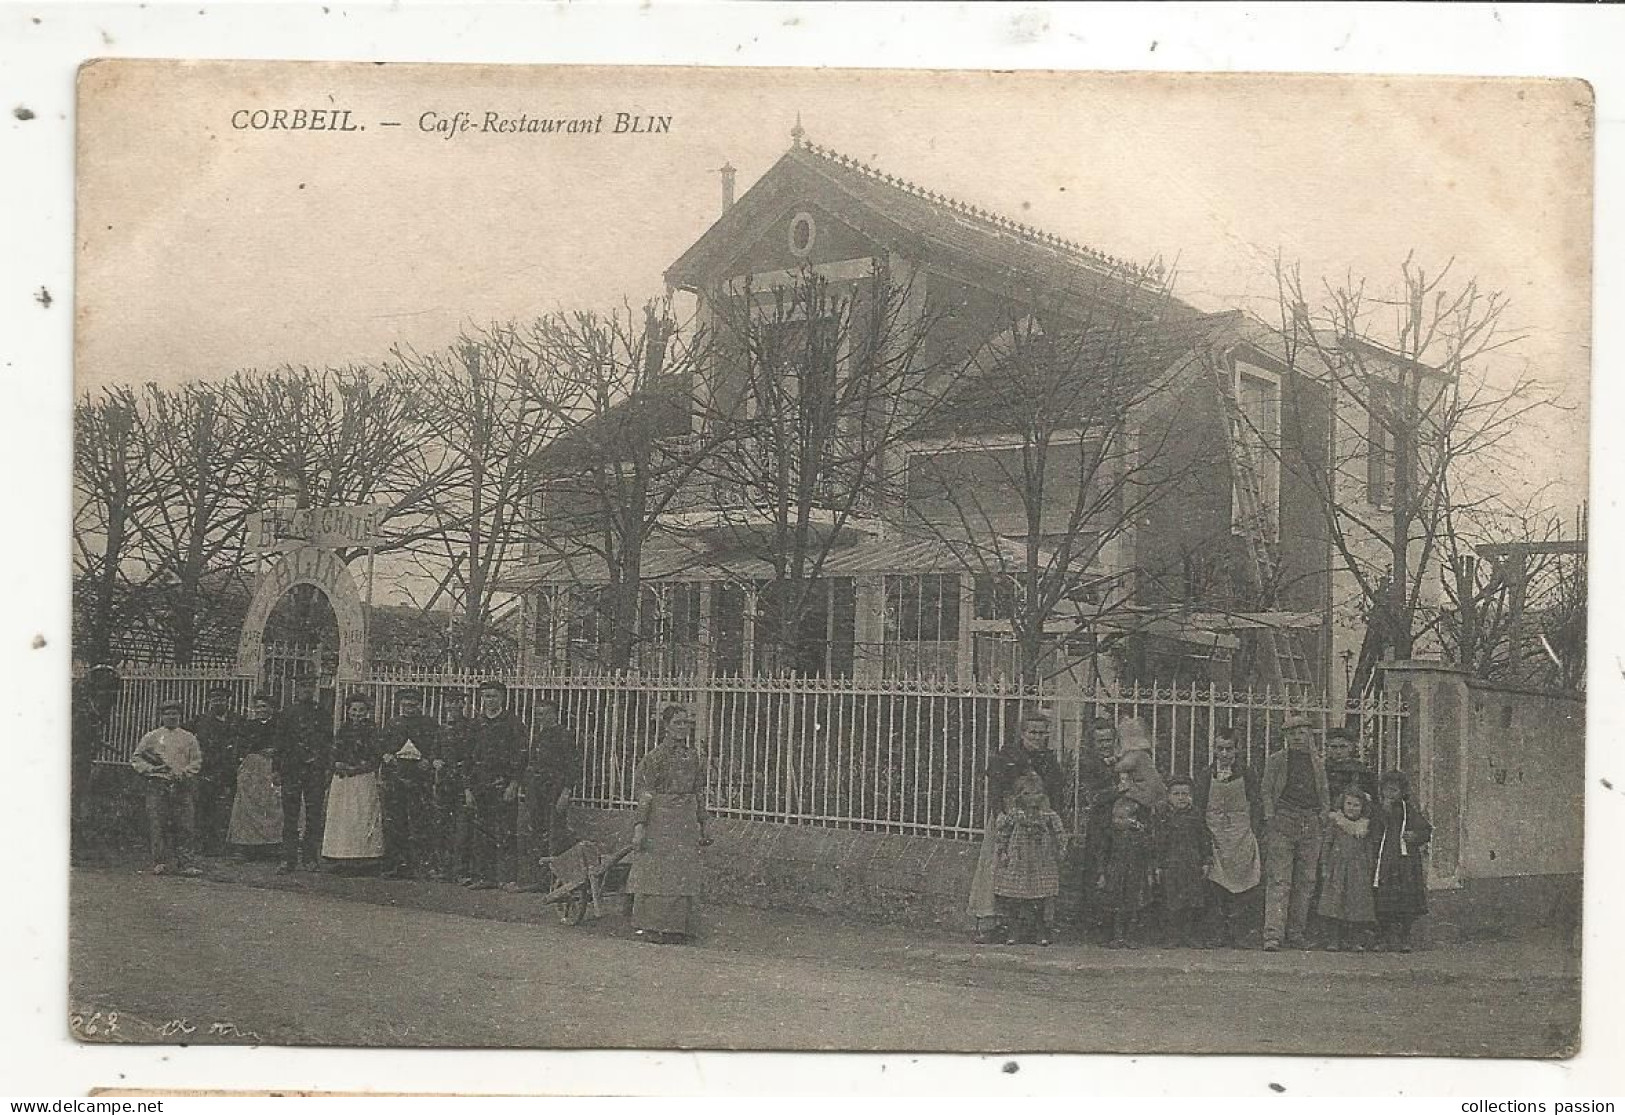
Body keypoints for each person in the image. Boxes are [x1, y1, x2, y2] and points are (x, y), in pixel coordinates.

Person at [968, 709, 1065, 943]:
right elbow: (996, 789)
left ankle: (1033, 926)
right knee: (998, 867)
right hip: (1009, 820)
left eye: (1043, 732)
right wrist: (1002, 815)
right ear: (1022, 733)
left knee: (1037, 874)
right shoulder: (1007, 756)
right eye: (1033, 732)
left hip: (1038, 821)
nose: (1038, 737)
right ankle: (990, 923)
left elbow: (1056, 791)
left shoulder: (1049, 760)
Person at [627, 702, 711, 944]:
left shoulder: (692, 756)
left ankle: (678, 928)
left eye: (686, 723)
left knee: (682, 873)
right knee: (658, 873)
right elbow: (645, 794)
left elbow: (698, 792)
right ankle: (652, 926)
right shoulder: (654, 758)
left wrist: (704, 822)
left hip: (685, 820)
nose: (683, 728)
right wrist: (640, 826)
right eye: (677, 723)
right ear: (666, 726)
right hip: (660, 820)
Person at [1260, 715, 1330, 951]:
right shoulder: (1277, 761)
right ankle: (1273, 935)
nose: (1298, 737)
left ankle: (1296, 932)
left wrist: (1322, 815)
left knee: (1307, 881)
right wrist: (1271, 818)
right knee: (1280, 880)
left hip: (1310, 821)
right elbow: (1267, 791)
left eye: (1302, 732)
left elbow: (1324, 791)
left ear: (1309, 735)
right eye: (1292, 733)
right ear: (1286, 736)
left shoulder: (1317, 762)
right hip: (1284, 820)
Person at [1193, 728, 1264, 947]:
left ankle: (1240, 935)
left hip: (1240, 835)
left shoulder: (1247, 773)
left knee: (1244, 885)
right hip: (1215, 834)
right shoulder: (1206, 774)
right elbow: (1199, 806)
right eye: (1220, 749)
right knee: (1216, 884)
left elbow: (1256, 804)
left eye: (1229, 749)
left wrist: (1254, 832)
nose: (1224, 754)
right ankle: (1217, 934)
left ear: (1237, 749)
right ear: (1214, 750)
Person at [130, 699, 204, 877]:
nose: (171, 717)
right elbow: (137, 758)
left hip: (181, 785)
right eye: (167, 714)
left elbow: (196, 761)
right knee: (158, 823)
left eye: (175, 714)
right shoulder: (152, 736)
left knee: (185, 824)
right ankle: (159, 862)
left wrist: (185, 772)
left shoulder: (189, 737)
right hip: (158, 784)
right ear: (162, 716)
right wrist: (153, 769)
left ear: (180, 716)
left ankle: (186, 863)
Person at [467, 680, 529, 890]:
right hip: (480, 785)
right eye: (485, 696)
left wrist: (514, 784)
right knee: (481, 832)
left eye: (493, 695)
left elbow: (521, 756)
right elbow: (468, 757)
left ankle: (507, 878)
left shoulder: (513, 723)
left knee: (506, 831)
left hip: (503, 785)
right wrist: (469, 788)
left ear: (502, 698)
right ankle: (485, 877)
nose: (489, 700)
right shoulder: (476, 724)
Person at [993, 771, 1066, 946]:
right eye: (1026, 794)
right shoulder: (1015, 815)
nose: (1032, 798)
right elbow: (1003, 833)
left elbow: (1059, 832)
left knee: (1040, 897)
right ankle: (1014, 930)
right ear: (1019, 795)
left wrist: (1061, 848)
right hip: (1018, 858)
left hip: (1041, 859)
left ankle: (1040, 930)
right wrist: (1002, 851)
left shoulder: (1047, 815)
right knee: (1014, 897)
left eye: (1036, 793)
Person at [516, 698, 581, 891]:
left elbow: (573, 766)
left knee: (555, 836)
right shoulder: (539, 735)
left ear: (554, 714)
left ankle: (556, 881)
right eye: (537, 714)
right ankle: (539, 880)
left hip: (555, 792)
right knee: (537, 834)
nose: (539, 718)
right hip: (537, 793)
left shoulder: (564, 735)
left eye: (543, 714)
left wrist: (566, 792)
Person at [379, 688, 441, 880]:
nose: (409, 708)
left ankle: (421, 865)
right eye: (405, 705)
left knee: (421, 822)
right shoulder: (392, 723)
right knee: (395, 822)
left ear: (419, 705)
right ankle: (397, 864)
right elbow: (382, 745)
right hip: (397, 778)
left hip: (419, 779)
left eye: (413, 705)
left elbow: (437, 746)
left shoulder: (429, 724)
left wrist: (429, 760)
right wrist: (387, 756)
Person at [274, 674, 331, 874]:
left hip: (314, 771)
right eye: (303, 686)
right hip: (292, 770)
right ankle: (287, 859)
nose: (307, 689)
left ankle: (309, 858)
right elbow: (279, 742)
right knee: (290, 815)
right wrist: (276, 769)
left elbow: (327, 742)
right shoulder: (287, 712)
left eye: (310, 686)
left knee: (314, 815)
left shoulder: (322, 713)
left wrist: (324, 767)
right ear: (297, 688)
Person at [321, 694, 386, 866]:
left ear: (367, 712)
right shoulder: (343, 729)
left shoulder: (373, 730)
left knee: (362, 815)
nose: (357, 714)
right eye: (354, 710)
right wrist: (337, 764)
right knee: (342, 816)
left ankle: (363, 857)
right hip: (343, 779)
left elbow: (376, 755)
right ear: (348, 711)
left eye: (361, 710)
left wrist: (358, 767)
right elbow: (333, 751)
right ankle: (339, 856)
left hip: (362, 778)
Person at [1072, 717, 1122, 944]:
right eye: (1100, 741)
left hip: (1120, 824)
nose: (1105, 745)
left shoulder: (1121, 760)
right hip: (1100, 824)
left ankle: (1114, 926)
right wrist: (1118, 789)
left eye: (1108, 740)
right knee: (1097, 872)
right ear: (1092, 743)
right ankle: (1095, 927)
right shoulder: (1088, 765)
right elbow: (1092, 797)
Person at [1372, 770, 1433, 953]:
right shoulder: (1379, 810)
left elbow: (1425, 831)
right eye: (1387, 790)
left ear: (1402, 792)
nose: (1390, 794)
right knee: (1382, 901)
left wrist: (1415, 836)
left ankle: (1405, 937)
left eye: (1394, 791)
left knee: (1406, 901)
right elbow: (1372, 831)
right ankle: (1384, 937)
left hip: (1405, 864)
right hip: (1384, 863)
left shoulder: (1408, 811)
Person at [1155, 777, 1214, 947]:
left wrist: (1206, 861)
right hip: (1171, 865)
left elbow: (1204, 839)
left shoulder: (1196, 816)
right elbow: (1157, 843)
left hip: (1192, 864)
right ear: (1168, 796)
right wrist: (1157, 866)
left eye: (1185, 794)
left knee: (1193, 902)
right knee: (1171, 902)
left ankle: (1190, 935)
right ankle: (1172, 936)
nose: (1181, 798)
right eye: (1176, 794)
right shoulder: (1163, 817)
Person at [1317, 788, 1378, 951]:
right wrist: (1324, 865)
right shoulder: (1336, 823)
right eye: (1349, 804)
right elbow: (1327, 844)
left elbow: (1369, 849)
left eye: (1356, 805)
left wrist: (1370, 868)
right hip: (1337, 869)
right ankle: (1334, 940)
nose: (1352, 808)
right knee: (1335, 904)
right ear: (1342, 805)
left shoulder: (1363, 827)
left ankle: (1354, 940)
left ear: (1363, 808)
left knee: (1356, 905)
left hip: (1358, 871)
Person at [189, 684, 245, 856]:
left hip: (229, 770)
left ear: (228, 700)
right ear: (209, 701)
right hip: (208, 769)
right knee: (204, 808)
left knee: (227, 809)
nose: (218, 702)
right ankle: (204, 845)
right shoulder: (200, 720)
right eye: (214, 699)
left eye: (221, 699)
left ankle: (226, 845)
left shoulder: (238, 720)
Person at [1096, 793, 1157, 948]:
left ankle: (1131, 937)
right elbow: (1103, 854)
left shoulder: (1140, 835)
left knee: (1134, 907)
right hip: (1115, 874)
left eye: (1121, 818)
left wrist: (1149, 873)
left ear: (1133, 819)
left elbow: (1149, 853)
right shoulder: (1110, 834)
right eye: (1115, 817)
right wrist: (1102, 874)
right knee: (1116, 907)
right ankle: (1117, 937)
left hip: (1136, 875)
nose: (1116, 821)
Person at [225, 692, 282, 857]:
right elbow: (240, 746)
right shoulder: (247, 726)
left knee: (271, 805)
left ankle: (272, 845)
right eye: (257, 707)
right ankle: (246, 846)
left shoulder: (279, 725)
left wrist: (275, 751)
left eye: (264, 706)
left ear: (272, 708)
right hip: (252, 767)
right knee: (248, 805)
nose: (261, 710)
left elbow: (284, 744)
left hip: (271, 766)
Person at [437, 691, 475, 884]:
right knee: (444, 826)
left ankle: (461, 871)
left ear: (463, 704)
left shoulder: (471, 726)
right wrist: (436, 760)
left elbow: (473, 755)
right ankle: (445, 868)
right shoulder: (441, 727)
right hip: (444, 782)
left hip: (463, 781)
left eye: (457, 702)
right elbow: (434, 750)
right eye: (449, 702)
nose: (453, 706)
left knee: (463, 827)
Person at [1114, 717, 1167, 810]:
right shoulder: (1143, 754)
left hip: (1144, 793)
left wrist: (1112, 763)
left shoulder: (1136, 755)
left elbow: (1121, 767)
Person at [1325, 727, 1379, 805]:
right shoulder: (1322, 769)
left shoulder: (1361, 770)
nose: (1338, 752)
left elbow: (1372, 796)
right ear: (1328, 748)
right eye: (1334, 747)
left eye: (1343, 747)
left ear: (1350, 747)